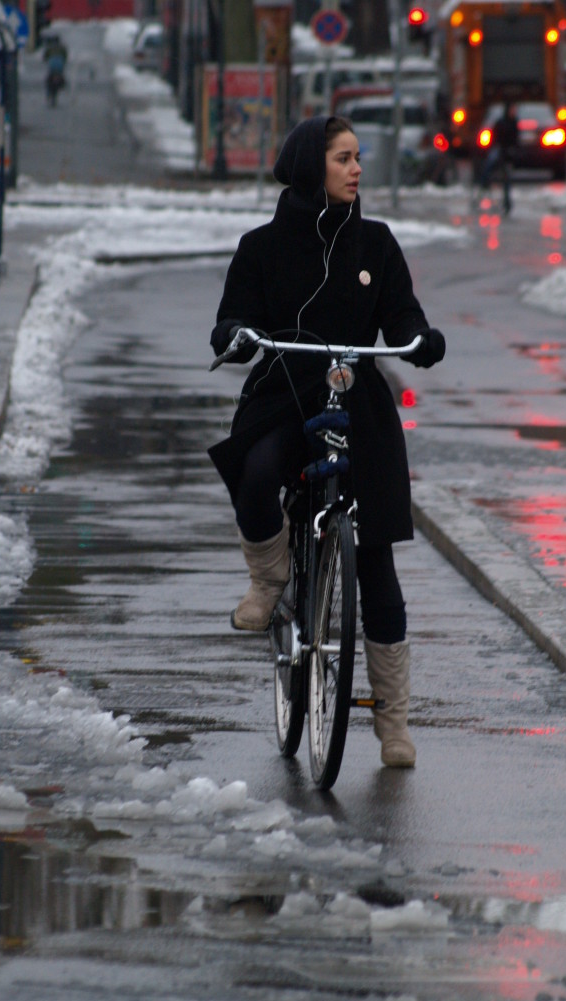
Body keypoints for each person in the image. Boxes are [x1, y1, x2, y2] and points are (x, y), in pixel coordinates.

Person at [207, 116, 446, 769]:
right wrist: (235, 334)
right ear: (314, 165)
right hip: (285, 388)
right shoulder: (261, 246)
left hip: (356, 401)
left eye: (358, 158)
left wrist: (419, 337)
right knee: (256, 471)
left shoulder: (376, 242)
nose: (356, 169)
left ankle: (393, 723)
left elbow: (402, 314)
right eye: (344, 158)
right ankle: (267, 581)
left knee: (376, 561)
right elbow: (232, 317)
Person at [479, 101, 519, 213]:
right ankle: (484, 184)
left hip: (507, 154)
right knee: (489, 167)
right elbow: (495, 137)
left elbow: (516, 140)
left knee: (507, 179)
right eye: (512, 109)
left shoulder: (514, 123)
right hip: (500, 151)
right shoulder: (501, 122)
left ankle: (507, 202)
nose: (513, 112)